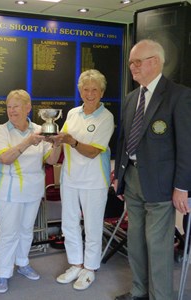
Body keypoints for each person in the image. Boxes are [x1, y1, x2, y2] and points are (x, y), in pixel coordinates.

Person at [113, 39, 191, 300]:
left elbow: (186, 145)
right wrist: (120, 176)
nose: (133, 67)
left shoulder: (179, 95)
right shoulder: (131, 98)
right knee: (135, 242)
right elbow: (125, 141)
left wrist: (181, 187)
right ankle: (139, 292)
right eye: (131, 63)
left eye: (138, 62)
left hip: (162, 184)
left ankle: (161, 297)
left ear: (155, 62)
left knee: (157, 246)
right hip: (133, 178)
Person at [0, 89, 62, 293]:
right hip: (9, 192)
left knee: (25, 231)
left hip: (33, 192)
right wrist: (27, 141)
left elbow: (50, 160)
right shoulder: (2, 130)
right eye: (9, 107)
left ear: (28, 108)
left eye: (16, 106)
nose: (11, 111)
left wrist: (57, 145)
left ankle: (22, 263)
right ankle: (3, 273)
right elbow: (4, 158)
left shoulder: (41, 129)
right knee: (8, 233)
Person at [56, 69, 114, 290]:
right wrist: (54, 140)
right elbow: (62, 141)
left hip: (94, 181)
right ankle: (76, 264)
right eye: (86, 89)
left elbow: (92, 152)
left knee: (92, 227)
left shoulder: (106, 117)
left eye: (95, 90)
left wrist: (71, 141)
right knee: (69, 225)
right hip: (70, 179)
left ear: (102, 92)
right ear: (80, 90)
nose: (90, 94)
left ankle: (89, 268)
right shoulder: (72, 114)